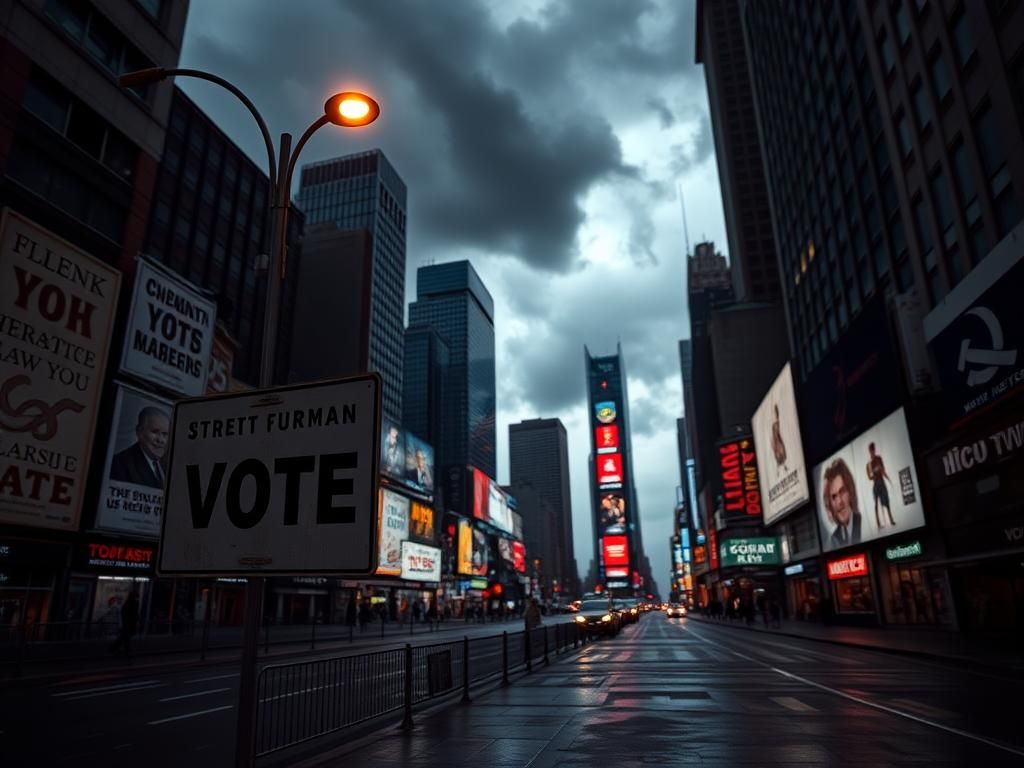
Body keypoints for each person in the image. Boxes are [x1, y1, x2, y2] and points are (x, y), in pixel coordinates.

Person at [109, 407, 170, 488]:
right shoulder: (120, 463)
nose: (161, 440)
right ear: (139, 432)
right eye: (155, 432)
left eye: (165, 434)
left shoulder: (166, 465)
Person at [822, 457, 862, 548]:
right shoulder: (833, 539)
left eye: (842, 491)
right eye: (834, 496)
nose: (839, 501)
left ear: (850, 490)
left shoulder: (862, 524)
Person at [865, 442, 896, 529]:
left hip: (881, 482)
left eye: (873, 450)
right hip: (876, 484)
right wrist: (875, 471)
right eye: (871, 450)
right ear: (869, 451)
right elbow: (869, 477)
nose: (872, 452)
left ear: (874, 450)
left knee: (886, 500)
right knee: (876, 503)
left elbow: (883, 469)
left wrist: (887, 477)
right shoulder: (868, 464)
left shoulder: (879, 458)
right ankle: (878, 524)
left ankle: (891, 519)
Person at [110, 591, 139, 658]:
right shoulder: (132, 604)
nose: (137, 598)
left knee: (123, 638)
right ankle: (126, 651)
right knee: (125, 638)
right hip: (129, 624)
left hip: (127, 624)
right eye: (137, 597)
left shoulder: (129, 603)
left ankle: (113, 648)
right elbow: (132, 614)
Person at [770, 403, 787, 472]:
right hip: (778, 446)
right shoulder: (775, 426)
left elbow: (778, 443)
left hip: (778, 446)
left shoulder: (775, 426)